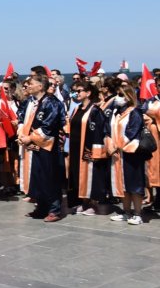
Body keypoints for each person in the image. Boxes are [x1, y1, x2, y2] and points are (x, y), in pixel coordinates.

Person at [18, 74, 66, 222]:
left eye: (31, 83)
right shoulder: (30, 102)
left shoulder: (51, 102)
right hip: (32, 147)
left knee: (50, 178)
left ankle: (54, 210)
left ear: (40, 86)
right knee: (37, 178)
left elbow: (49, 126)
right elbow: (21, 116)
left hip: (48, 148)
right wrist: (21, 131)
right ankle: (41, 207)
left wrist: (30, 137)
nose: (28, 86)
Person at [107, 84, 148, 225]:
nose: (118, 98)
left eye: (121, 95)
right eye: (117, 95)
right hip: (119, 154)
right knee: (122, 185)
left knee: (135, 184)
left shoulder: (134, 112)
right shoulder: (116, 112)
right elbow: (109, 129)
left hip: (131, 153)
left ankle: (137, 213)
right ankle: (126, 212)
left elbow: (132, 132)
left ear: (128, 96)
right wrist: (110, 144)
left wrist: (117, 145)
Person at [68, 82, 108, 215]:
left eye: (79, 90)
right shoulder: (76, 109)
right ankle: (84, 202)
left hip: (88, 148)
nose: (77, 93)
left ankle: (93, 204)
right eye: (75, 91)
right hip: (75, 148)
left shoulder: (95, 111)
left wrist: (96, 151)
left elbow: (99, 131)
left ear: (88, 93)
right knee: (78, 175)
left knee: (91, 176)